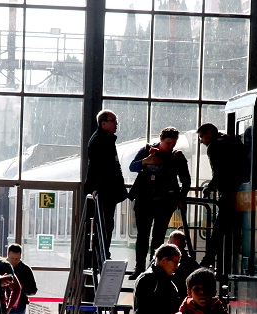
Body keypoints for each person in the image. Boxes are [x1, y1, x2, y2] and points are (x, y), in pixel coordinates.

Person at [127, 127, 191, 279]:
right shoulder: (147, 151)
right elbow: (132, 167)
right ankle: (139, 267)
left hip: (165, 202)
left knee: (158, 236)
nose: (170, 147)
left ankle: (154, 267)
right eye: (168, 143)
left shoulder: (176, 157)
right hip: (144, 200)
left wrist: (181, 197)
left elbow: (186, 180)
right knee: (142, 235)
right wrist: (145, 161)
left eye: (173, 143)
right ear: (161, 140)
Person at [196, 123, 247, 269]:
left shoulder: (214, 147)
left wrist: (209, 187)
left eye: (202, 136)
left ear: (209, 133)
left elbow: (219, 173)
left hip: (229, 194)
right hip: (241, 192)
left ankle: (208, 260)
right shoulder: (232, 141)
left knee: (219, 230)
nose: (201, 141)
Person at [85, 109, 128, 260]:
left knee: (107, 224)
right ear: (103, 123)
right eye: (113, 121)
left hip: (109, 189)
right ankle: (102, 255)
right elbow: (97, 167)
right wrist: (96, 187)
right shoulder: (99, 141)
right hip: (105, 189)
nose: (116, 124)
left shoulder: (106, 140)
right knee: (104, 224)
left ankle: (104, 253)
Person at [6, 243, 37, 314]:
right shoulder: (1, 266)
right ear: (8, 254)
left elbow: (33, 290)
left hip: (18, 306)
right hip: (2, 304)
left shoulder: (26, 270)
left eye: (17, 259)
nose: (14, 261)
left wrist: (22, 289)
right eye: (12, 258)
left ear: (20, 256)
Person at [0, 247, 22, 314]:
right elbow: (17, 288)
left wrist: (9, 308)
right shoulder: (3, 265)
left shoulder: (3, 266)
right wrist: (9, 308)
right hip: (0, 303)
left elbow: (17, 288)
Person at [167, 229, 199, 293]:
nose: (175, 250)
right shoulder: (161, 259)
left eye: (178, 247)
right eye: (173, 247)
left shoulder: (190, 263)